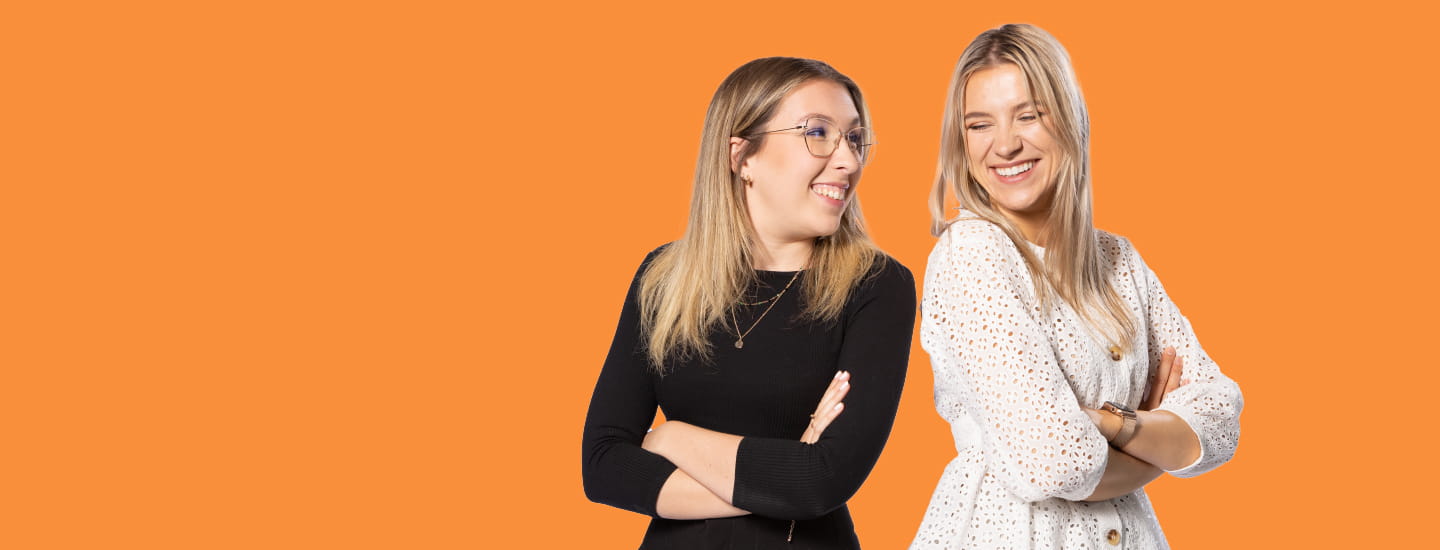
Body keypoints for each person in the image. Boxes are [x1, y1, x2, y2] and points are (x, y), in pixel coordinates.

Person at [910, 24, 1243, 549]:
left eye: (1029, 114)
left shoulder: (1118, 259)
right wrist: (1154, 437)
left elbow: (1220, 420)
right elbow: (1054, 461)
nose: (1005, 144)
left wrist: (1108, 425)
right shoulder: (971, 254)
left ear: (1069, 119)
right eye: (979, 124)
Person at [581, 56, 916, 549]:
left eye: (854, 137)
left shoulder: (877, 285)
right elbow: (603, 465)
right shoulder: (664, 279)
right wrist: (784, 471)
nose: (849, 160)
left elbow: (822, 481)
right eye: (818, 132)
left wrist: (672, 439)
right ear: (743, 157)